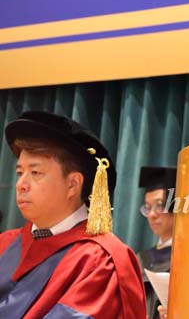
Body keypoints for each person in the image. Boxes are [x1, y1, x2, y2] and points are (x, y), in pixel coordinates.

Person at [0, 111, 147, 318]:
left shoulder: (99, 260)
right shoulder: (5, 243)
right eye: (19, 172)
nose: (21, 185)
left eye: (35, 173)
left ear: (73, 184)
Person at [138, 166, 176, 319]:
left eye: (159, 205)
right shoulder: (141, 259)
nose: (152, 215)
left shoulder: (187, 261)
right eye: (147, 207)